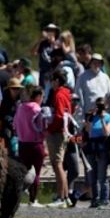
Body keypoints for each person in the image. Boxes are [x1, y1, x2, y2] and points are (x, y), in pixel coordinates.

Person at [13, 87, 47, 207]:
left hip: (22, 144)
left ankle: (16, 197)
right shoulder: (38, 109)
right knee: (36, 173)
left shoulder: (20, 108)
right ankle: (33, 200)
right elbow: (43, 127)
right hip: (36, 144)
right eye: (42, 97)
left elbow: (15, 125)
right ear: (38, 97)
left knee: (23, 172)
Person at [44, 69, 72, 208]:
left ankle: (60, 197)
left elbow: (60, 116)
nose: (50, 83)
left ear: (56, 80)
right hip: (63, 132)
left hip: (57, 133)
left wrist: (49, 129)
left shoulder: (59, 95)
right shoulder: (66, 93)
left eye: (52, 80)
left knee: (57, 164)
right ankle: (66, 197)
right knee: (59, 164)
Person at [83, 97, 110, 209]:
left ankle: (104, 199)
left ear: (106, 106)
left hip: (102, 148)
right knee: (92, 175)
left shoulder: (108, 118)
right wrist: (89, 118)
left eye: (101, 105)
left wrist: (101, 119)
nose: (99, 107)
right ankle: (94, 198)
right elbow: (87, 130)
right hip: (92, 147)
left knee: (102, 175)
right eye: (98, 105)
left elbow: (107, 133)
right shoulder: (92, 117)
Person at [73, 53, 110, 123]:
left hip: (103, 116)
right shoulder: (83, 77)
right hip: (89, 116)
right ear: (90, 63)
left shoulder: (105, 77)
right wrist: (80, 118)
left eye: (99, 63)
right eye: (94, 62)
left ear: (101, 64)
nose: (96, 65)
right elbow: (78, 98)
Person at [0, 78, 24, 158]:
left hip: (19, 126)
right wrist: (12, 122)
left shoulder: (20, 100)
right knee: (7, 135)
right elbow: (3, 114)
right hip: (8, 126)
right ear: (9, 89)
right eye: (14, 88)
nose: (16, 90)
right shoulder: (5, 100)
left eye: (18, 89)